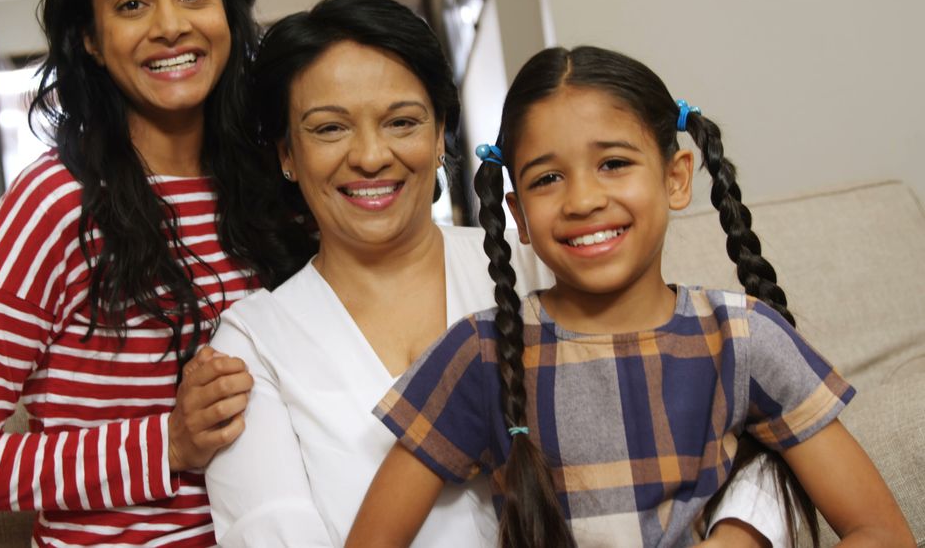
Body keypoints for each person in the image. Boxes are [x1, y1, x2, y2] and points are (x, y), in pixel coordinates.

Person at [205, 0, 788, 548]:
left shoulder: (544, 259)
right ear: (287, 153)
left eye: (402, 122)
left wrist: (742, 530)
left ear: (440, 138)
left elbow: (731, 401)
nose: (370, 155)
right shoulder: (253, 345)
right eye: (329, 128)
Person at [346, 46, 916, 547]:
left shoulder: (745, 337)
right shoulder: (484, 351)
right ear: (517, 214)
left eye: (614, 164)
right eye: (547, 179)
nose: (584, 199)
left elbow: (883, 532)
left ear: (676, 177)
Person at [0, 0, 303, 545]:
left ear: (228, 13)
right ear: (91, 37)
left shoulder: (276, 184)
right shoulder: (52, 203)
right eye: (132, 3)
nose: (170, 24)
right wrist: (165, 442)